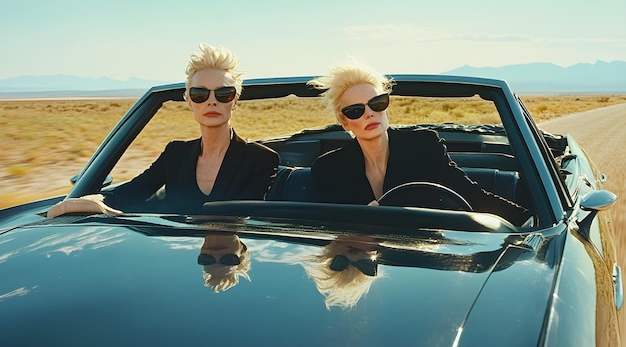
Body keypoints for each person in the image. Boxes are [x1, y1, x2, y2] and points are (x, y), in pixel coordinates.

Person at [47, 44, 279, 217]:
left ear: (235, 100)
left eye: (223, 94)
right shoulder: (175, 154)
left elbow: (244, 220)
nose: (211, 102)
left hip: (229, 251)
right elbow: (133, 191)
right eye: (200, 94)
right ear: (189, 101)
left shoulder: (261, 159)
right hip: (174, 259)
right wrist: (95, 199)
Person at [307, 63, 530, 226]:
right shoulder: (329, 168)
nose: (369, 114)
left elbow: (471, 194)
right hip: (366, 262)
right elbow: (330, 231)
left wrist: (528, 222)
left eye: (377, 103)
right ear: (344, 122)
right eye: (355, 111)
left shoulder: (423, 147)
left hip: (425, 256)